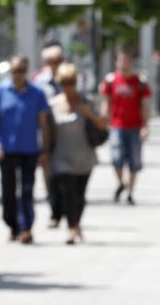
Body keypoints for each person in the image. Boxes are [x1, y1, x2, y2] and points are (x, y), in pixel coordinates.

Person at [0, 56, 52, 244]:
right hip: (6, 149)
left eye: (21, 71)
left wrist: (45, 149)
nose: (18, 75)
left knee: (27, 190)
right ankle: (12, 225)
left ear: (27, 70)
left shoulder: (37, 93)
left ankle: (26, 227)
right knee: (8, 191)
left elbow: (44, 122)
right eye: (15, 71)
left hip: (29, 149)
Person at [45, 63, 108, 245]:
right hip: (61, 157)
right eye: (64, 82)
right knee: (68, 192)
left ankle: (76, 223)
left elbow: (103, 125)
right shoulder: (53, 104)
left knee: (80, 195)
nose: (68, 86)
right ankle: (72, 228)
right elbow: (47, 131)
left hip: (84, 156)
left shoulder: (85, 102)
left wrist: (89, 114)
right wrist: (44, 153)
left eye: (71, 82)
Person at [100, 51, 152, 206]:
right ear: (116, 61)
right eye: (121, 60)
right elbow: (105, 102)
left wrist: (145, 126)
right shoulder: (110, 80)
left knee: (134, 161)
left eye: (127, 60)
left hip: (135, 126)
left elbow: (145, 106)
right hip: (116, 125)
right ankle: (121, 183)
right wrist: (103, 120)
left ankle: (130, 192)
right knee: (116, 158)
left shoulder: (140, 82)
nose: (124, 63)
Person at [32, 43, 65, 228]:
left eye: (58, 60)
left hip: (68, 134)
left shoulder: (71, 77)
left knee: (67, 174)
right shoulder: (39, 82)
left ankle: (67, 208)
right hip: (47, 133)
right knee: (49, 173)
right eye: (51, 61)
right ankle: (54, 209)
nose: (55, 64)